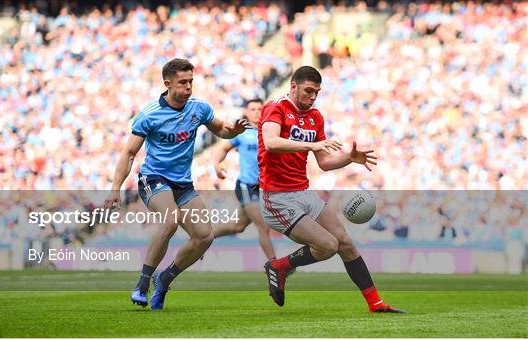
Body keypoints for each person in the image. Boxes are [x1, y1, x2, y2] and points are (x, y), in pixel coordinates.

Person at [103, 58, 249, 310]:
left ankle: (166, 277)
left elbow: (220, 130)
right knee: (169, 220)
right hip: (153, 179)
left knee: (205, 236)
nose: (189, 87)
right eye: (183, 82)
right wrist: (115, 189)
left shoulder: (199, 109)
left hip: (183, 184)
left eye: (191, 81)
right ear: (167, 84)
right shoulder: (149, 115)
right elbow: (128, 154)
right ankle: (142, 283)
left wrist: (232, 132)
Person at [258, 65, 406, 313]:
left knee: (345, 242)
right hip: (277, 198)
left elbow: (325, 163)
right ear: (293, 86)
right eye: (308, 90)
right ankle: (281, 266)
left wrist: (349, 158)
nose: (313, 97)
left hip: (303, 192)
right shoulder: (275, 107)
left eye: (317, 92)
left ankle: (376, 304)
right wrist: (311, 147)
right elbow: (271, 143)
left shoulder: (315, 117)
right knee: (327, 245)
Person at [211, 99, 276, 260]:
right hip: (247, 185)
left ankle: (204, 237)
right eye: (253, 109)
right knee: (263, 225)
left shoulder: (270, 133)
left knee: (238, 226)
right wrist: (217, 164)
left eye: (260, 109)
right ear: (247, 112)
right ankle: (274, 265)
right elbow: (223, 148)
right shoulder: (242, 133)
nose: (256, 112)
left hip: (263, 188)